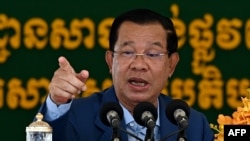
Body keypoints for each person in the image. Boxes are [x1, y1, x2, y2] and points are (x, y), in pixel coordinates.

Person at [38, 8, 214, 141]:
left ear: (171, 65)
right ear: (110, 61)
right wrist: (56, 104)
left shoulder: (194, 125)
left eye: (152, 54)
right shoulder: (76, 117)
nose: (139, 65)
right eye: (128, 52)